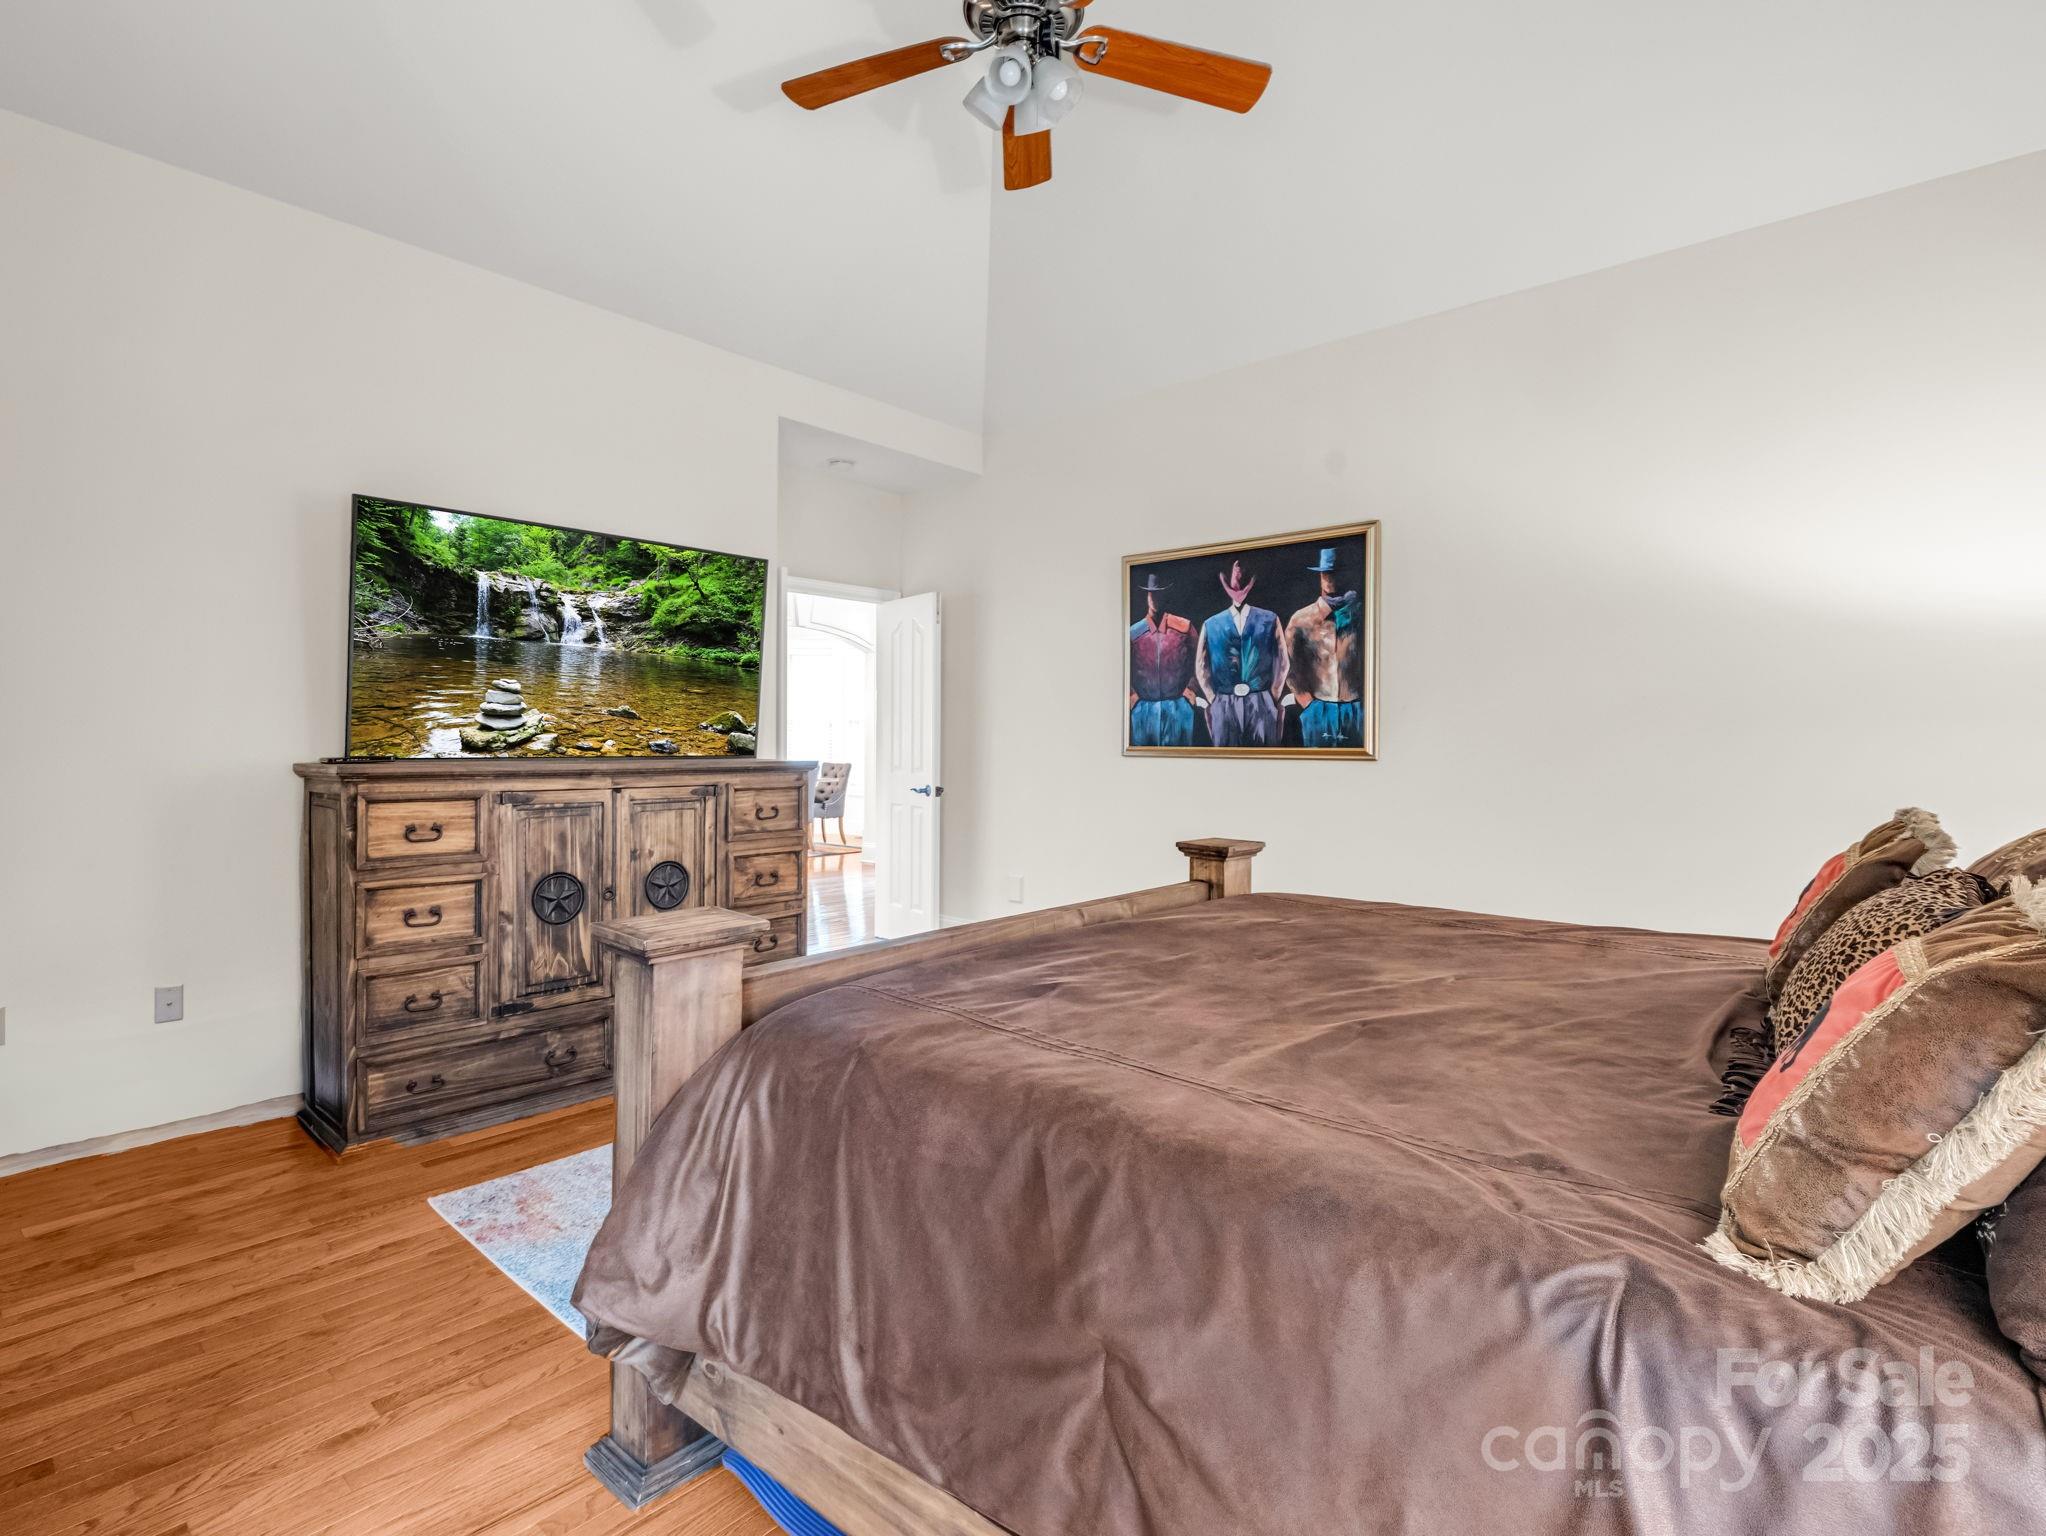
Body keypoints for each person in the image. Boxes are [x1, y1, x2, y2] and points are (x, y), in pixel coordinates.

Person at [1195, 558, 1287, 748]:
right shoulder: (1211, 623)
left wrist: (1272, 695)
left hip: (1260, 701)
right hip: (1224, 702)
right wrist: (1213, 698)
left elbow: (1283, 660)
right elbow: (1201, 665)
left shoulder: (1269, 619)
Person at [1283, 547, 1365, 748]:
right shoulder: (1301, 620)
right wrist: (1308, 704)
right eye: (1327, 571)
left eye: (1336, 571)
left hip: (1358, 708)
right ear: (1320, 574)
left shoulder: (1363, 615)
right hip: (1318, 708)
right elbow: (1288, 667)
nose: (1331, 577)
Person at [1128, 573, 1198, 747]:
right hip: (1143, 709)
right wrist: (1131, 696)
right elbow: (1120, 669)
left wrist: (1191, 689)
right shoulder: (1134, 633)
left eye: (1159, 593)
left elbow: (1201, 662)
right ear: (1146, 595)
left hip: (1179, 708)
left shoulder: (1184, 627)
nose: (1155, 598)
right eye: (1151, 593)